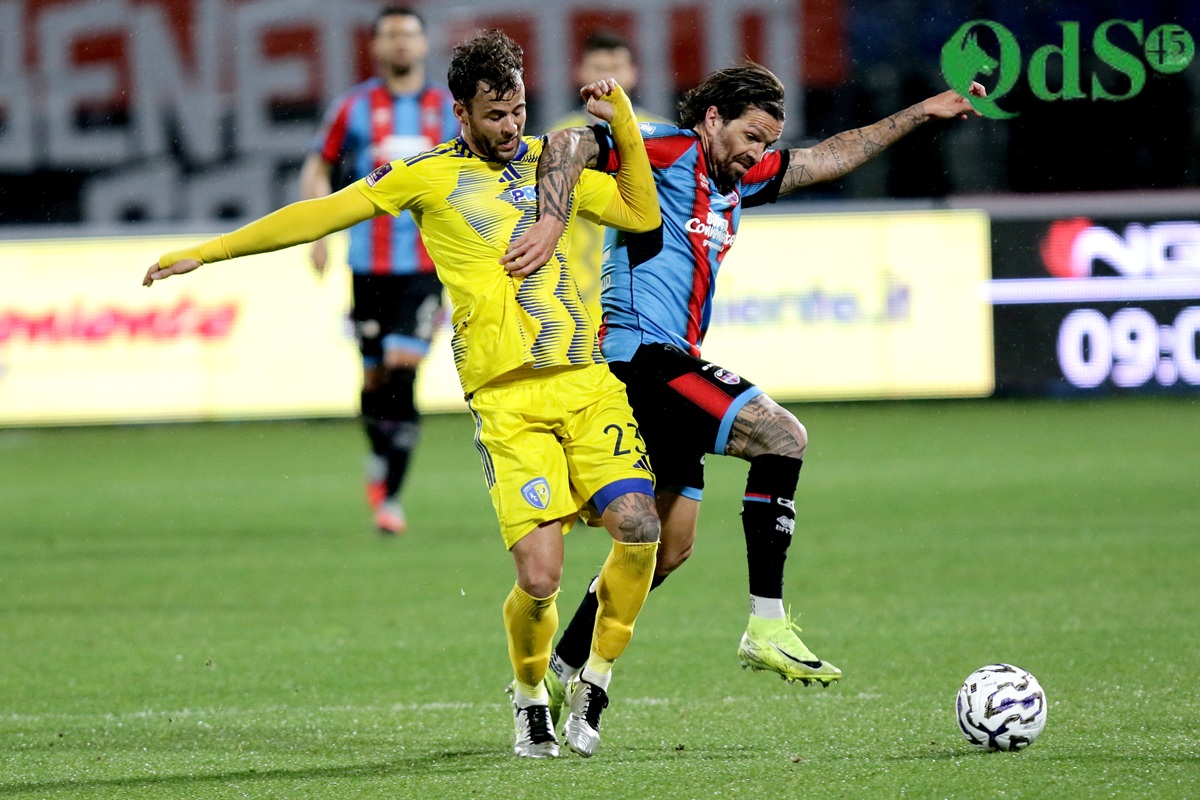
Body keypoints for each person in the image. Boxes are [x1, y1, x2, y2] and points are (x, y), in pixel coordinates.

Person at [143, 30, 663, 760]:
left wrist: (626, 124)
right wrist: (210, 250)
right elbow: (321, 214)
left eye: (517, 111)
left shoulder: (555, 165)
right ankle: (528, 694)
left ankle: (597, 680)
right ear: (461, 113)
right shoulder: (426, 177)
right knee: (540, 577)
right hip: (507, 401)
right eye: (495, 116)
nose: (512, 127)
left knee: (638, 526)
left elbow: (641, 213)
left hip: (586, 384)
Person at [518, 62, 985, 709]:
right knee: (781, 435)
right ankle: (766, 624)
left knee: (667, 548)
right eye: (750, 136)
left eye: (767, 142)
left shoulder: (740, 180)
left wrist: (918, 115)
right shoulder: (664, 147)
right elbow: (569, 143)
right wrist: (550, 219)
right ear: (712, 120)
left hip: (670, 361)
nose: (757, 153)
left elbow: (827, 157)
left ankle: (563, 666)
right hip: (636, 357)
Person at [299, 6, 460, 535]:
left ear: (423, 43)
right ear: (376, 46)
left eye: (409, 35)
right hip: (367, 262)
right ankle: (379, 454)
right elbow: (319, 165)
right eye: (391, 35)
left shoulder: (448, 107)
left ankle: (390, 498)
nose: (400, 44)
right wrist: (319, 230)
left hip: (424, 263)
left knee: (402, 367)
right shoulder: (355, 107)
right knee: (372, 378)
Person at [548, 30, 668, 322]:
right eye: (599, 69)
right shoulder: (559, 138)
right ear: (581, 73)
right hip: (576, 296)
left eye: (614, 70)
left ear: (632, 74)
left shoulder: (665, 137)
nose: (606, 79)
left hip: (646, 291)